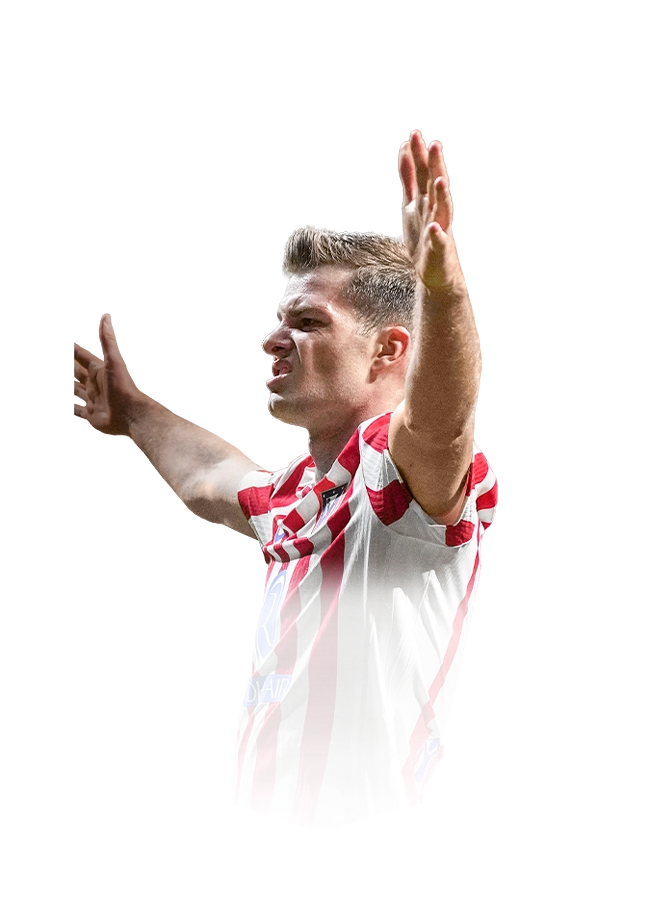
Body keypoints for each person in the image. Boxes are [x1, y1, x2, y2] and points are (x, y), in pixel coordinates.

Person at [73, 131, 497, 830]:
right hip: (266, 807)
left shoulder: (394, 481)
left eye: (306, 322)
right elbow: (209, 474)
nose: (272, 341)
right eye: (277, 322)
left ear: (388, 349)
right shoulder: (297, 493)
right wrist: (133, 412)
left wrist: (442, 294)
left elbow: (439, 425)